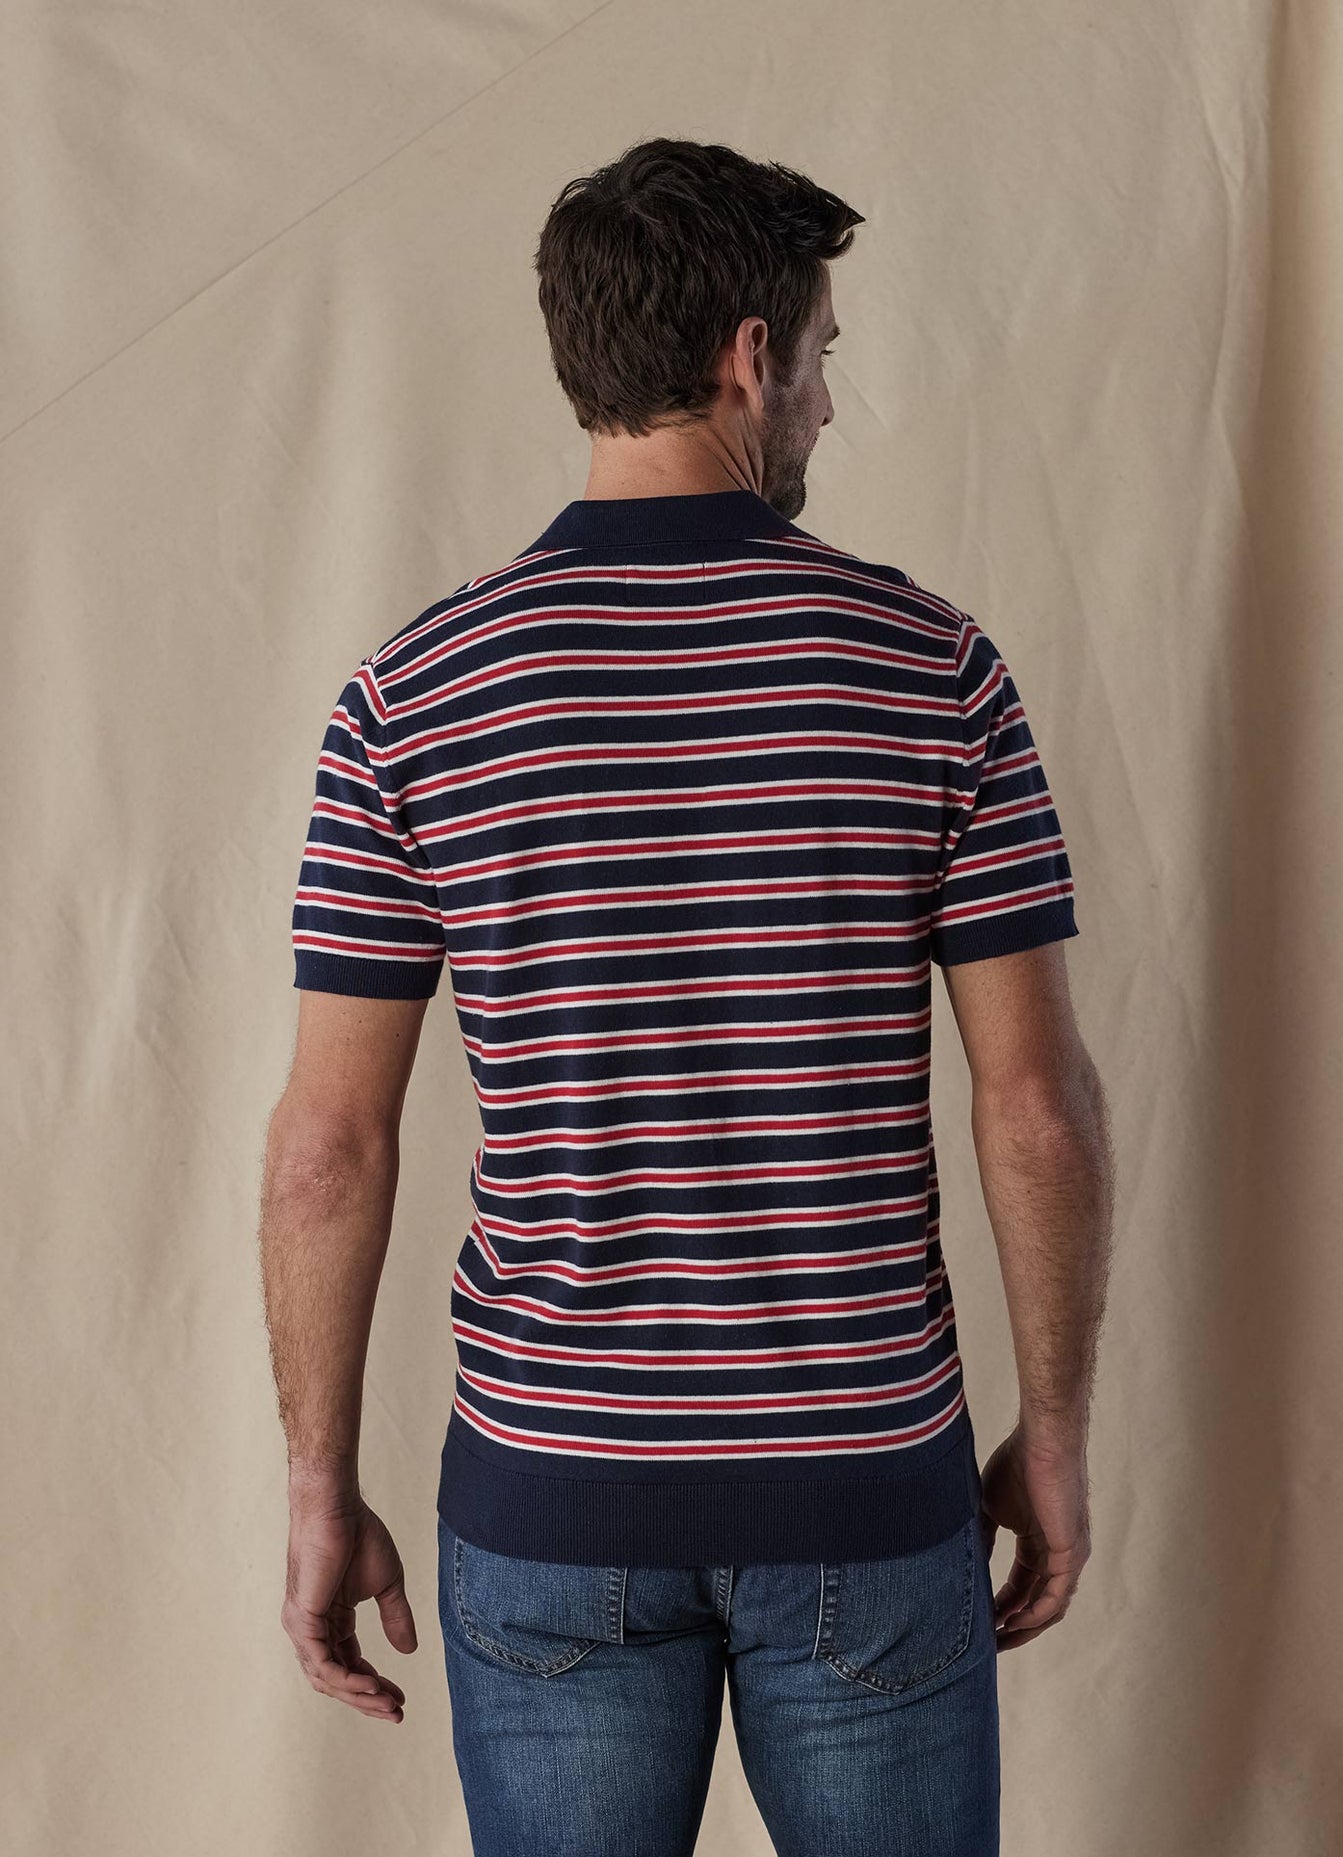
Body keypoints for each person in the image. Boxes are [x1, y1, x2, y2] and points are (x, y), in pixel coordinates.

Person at [259, 135, 1115, 1857]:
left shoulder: (412, 694)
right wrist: (1056, 1428)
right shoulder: (930, 669)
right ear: (748, 354)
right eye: (823, 359)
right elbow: (1030, 1105)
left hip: (549, 1492)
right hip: (864, 1491)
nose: (825, 404)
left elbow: (325, 1148)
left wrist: (316, 1480)